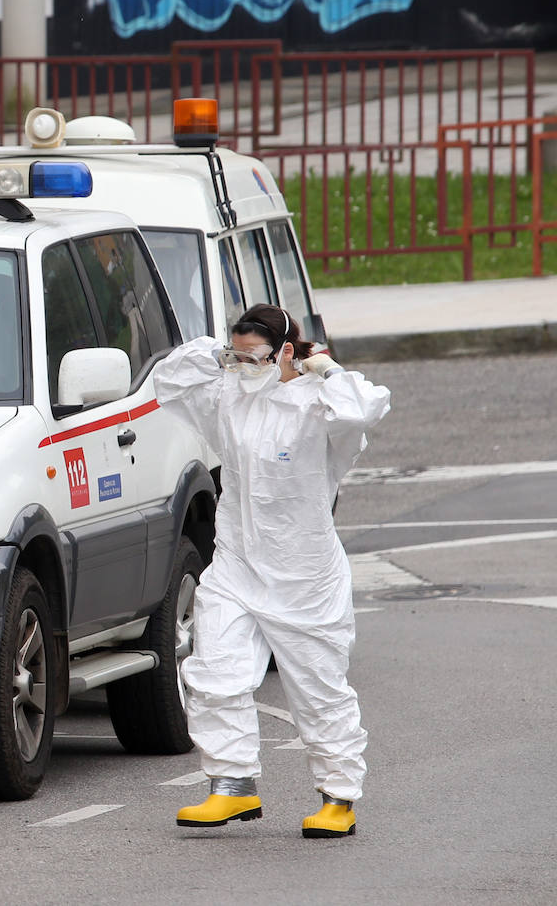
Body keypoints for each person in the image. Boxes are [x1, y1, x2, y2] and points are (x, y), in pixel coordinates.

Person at [151, 303, 390, 839]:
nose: (243, 367)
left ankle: (337, 798)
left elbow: (364, 409)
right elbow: (166, 380)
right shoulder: (230, 395)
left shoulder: (318, 407)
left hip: (303, 573)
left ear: (286, 351)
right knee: (214, 673)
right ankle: (232, 788)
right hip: (237, 562)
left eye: (254, 356)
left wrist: (323, 369)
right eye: (236, 356)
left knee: (318, 689)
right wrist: (223, 355)